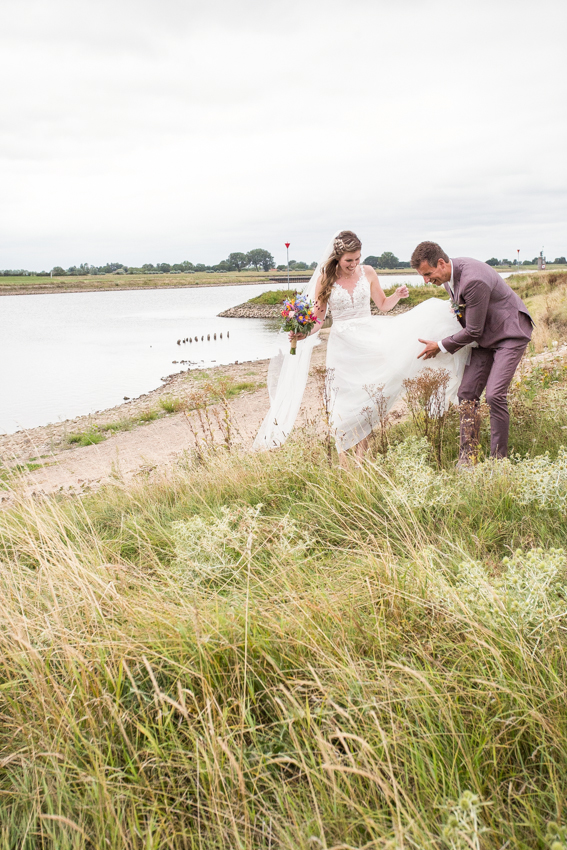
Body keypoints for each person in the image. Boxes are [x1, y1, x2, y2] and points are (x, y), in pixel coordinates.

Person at [254, 231, 469, 461]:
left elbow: (384, 306)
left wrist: (396, 295)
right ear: (338, 257)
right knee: (345, 403)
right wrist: (303, 333)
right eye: (349, 260)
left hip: (369, 341)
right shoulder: (325, 278)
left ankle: (360, 459)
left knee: (367, 399)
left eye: (357, 258)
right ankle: (344, 462)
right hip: (342, 348)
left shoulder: (368, 272)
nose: (354, 264)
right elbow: (318, 318)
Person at [413, 241, 532, 463]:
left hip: (509, 332)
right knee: (466, 394)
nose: (426, 280)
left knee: (495, 395)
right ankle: (468, 458)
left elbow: (474, 330)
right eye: (423, 276)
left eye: (428, 274)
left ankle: (499, 462)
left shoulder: (473, 280)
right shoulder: (449, 277)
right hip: (484, 337)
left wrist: (440, 345)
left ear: (441, 263)